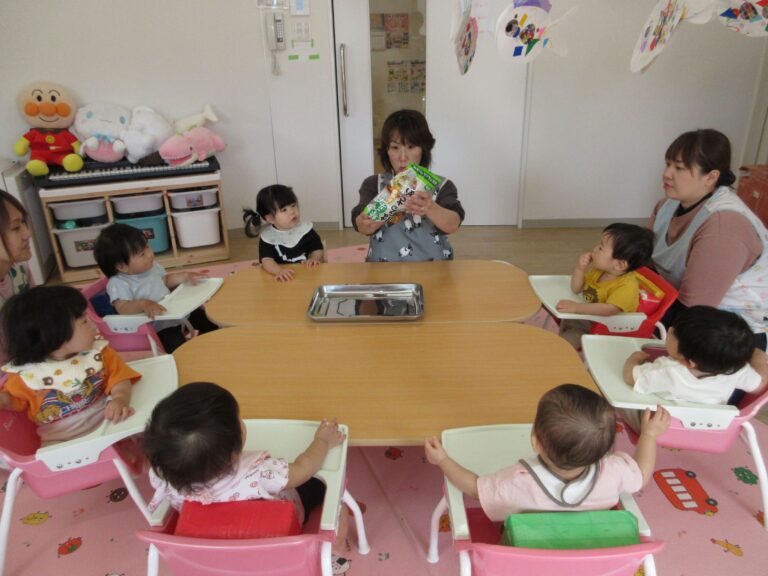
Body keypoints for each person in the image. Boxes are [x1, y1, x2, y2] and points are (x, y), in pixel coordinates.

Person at [143, 382, 347, 546]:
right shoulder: (261, 473)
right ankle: (337, 538)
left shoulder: (162, 473)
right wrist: (323, 441)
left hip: (211, 545)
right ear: (234, 453)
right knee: (329, 487)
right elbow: (304, 467)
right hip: (273, 536)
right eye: (238, 419)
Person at [424, 384, 670, 519]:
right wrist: (649, 435)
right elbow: (642, 474)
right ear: (605, 451)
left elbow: (474, 488)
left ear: (535, 441)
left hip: (528, 552)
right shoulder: (614, 472)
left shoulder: (517, 479)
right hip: (586, 552)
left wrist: (443, 460)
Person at [649, 129, 768, 348]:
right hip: (680, 305)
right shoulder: (667, 205)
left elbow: (695, 313)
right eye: (668, 164)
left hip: (732, 332)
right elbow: (643, 260)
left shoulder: (724, 227)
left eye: (679, 168)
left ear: (711, 177)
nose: (667, 174)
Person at [0, 286, 139, 444]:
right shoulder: (26, 376)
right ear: (56, 337)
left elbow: (120, 379)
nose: (94, 325)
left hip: (108, 424)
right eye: (85, 321)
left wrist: (120, 399)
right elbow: (10, 400)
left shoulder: (99, 354)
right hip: (60, 441)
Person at [351, 109, 465, 262]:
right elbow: (361, 224)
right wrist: (370, 220)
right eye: (395, 147)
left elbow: (454, 224)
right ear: (386, 150)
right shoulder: (374, 184)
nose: (403, 158)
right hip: (383, 269)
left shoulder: (442, 185)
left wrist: (430, 208)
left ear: (423, 149)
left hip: (434, 269)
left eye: (411, 147)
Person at [623, 306, 768, 424]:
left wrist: (634, 359)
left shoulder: (667, 370)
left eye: (674, 332)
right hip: (707, 427)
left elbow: (630, 377)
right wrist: (757, 353)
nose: (670, 329)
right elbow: (760, 385)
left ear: (687, 362)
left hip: (659, 425)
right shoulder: (736, 371)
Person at [94, 223, 218, 353]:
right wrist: (143, 304)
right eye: (142, 254)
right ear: (121, 266)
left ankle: (220, 338)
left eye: (147, 247)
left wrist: (185, 276)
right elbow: (123, 308)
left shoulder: (151, 268)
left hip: (175, 311)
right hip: (158, 325)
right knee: (178, 349)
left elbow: (164, 281)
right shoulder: (118, 283)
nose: (150, 254)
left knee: (205, 317)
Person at [556, 223, 654, 348]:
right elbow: (576, 289)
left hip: (602, 328)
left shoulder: (626, 286)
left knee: (560, 345)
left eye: (601, 248)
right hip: (584, 317)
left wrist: (577, 308)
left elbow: (609, 310)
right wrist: (580, 269)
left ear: (619, 265)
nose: (595, 249)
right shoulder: (599, 271)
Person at [250, 184, 324, 282]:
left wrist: (315, 258)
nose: (292, 212)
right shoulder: (268, 237)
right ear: (271, 218)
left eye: (293, 206)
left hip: (306, 275)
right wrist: (278, 271)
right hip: (282, 279)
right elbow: (266, 260)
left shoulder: (305, 230)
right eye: (284, 210)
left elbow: (317, 248)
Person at [0, 189, 34, 370]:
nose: (27, 233)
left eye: (23, 223)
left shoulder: (20, 271)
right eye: (15, 228)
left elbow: (39, 320)